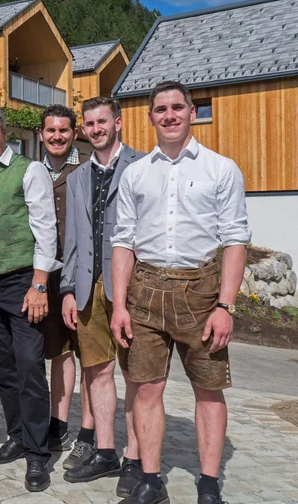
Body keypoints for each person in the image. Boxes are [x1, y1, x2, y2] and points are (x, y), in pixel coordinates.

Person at [111, 81, 250, 504]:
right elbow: (123, 241)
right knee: (147, 388)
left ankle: (209, 486)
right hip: (146, 291)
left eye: (177, 107)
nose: (168, 115)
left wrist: (226, 305)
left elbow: (235, 239)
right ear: (150, 116)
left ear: (191, 112)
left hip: (203, 294)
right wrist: (119, 304)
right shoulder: (135, 173)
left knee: (209, 390)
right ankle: (151, 481)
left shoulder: (221, 169)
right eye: (160, 109)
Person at [0, 105, 61, 492]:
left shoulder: (30, 169)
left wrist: (39, 283)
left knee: (30, 368)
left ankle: (38, 455)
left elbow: (45, 228)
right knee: (2, 368)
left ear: (3, 133)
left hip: (22, 283)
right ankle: (18, 436)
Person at [61, 96, 144, 496]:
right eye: (89, 124)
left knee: (136, 374)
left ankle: (137, 457)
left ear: (118, 123)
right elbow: (72, 240)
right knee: (97, 370)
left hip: (131, 285)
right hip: (87, 287)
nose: (96, 129)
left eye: (102, 122)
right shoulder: (77, 177)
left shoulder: (143, 167)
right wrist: (66, 289)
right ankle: (107, 451)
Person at [38, 105, 94, 462]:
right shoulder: (32, 171)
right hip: (49, 274)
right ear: (42, 134)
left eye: (63, 130)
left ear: (74, 133)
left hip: (86, 274)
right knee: (59, 354)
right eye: (51, 130)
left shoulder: (88, 169)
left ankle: (90, 429)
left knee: (92, 356)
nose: (56, 136)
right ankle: (58, 423)